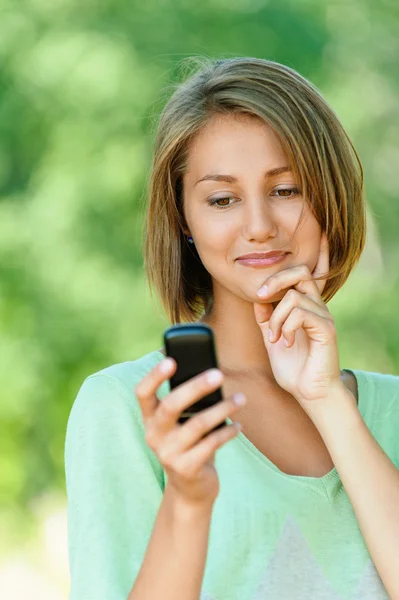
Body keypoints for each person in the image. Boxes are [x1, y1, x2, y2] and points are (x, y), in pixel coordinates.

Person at [65, 57, 399, 600]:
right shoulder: (128, 408)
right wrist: (188, 501)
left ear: (330, 197)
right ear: (185, 222)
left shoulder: (393, 410)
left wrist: (325, 400)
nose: (260, 226)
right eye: (222, 200)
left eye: (287, 190)